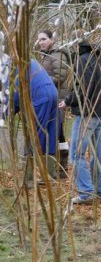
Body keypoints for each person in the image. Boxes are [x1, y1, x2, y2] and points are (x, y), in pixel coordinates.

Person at [59, 38, 101, 205]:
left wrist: (67, 101)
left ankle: (86, 192)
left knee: (76, 154)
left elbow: (82, 89)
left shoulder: (83, 61)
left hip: (87, 114)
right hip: (100, 114)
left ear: (78, 46)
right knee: (99, 154)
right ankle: (100, 191)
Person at [2, 55, 58, 183]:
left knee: (33, 135)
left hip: (40, 96)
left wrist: (5, 115)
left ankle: (29, 179)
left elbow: (13, 95)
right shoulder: (27, 60)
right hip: (53, 93)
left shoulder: (11, 67)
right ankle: (50, 174)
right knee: (49, 133)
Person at [36, 29, 71, 176]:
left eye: (43, 39)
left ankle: (60, 167)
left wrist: (40, 80)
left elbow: (60, 76)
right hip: (50, 98)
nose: (40, 42)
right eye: (39, 40)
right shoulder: (47, 55)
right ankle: (60, 167)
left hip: (57, 98)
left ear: (51, 39)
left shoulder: (58, 54)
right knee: (59, 132)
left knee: (57, 132)